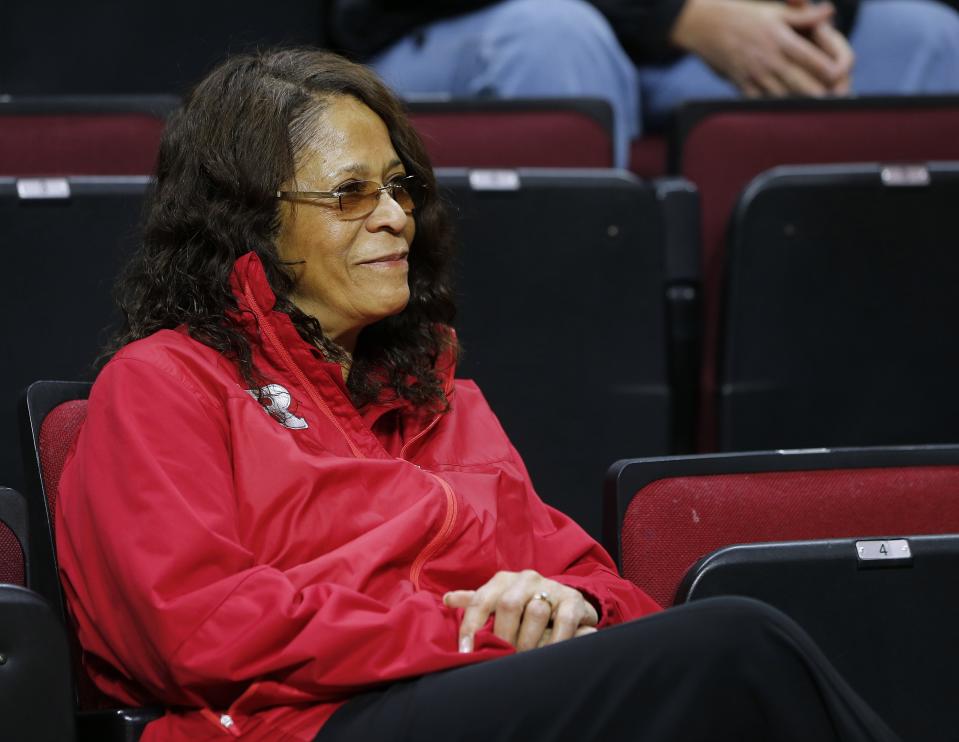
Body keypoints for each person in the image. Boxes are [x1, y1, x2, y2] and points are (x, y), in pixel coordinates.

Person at [56, 47, 900, 741]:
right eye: (351, 194)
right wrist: (475, 631)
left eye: (399, 188)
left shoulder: (442, 395)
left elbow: (607, 590)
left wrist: (563, 605)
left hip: (472, 703)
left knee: (725, 661)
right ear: (246, 221)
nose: (394, 217)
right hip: (299, 728)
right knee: (736, 644)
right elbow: (198, 630)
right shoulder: (162, 381)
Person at [328, 0, 959, 167]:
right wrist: (679, 16)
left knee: (926, 36)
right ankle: (596, 331)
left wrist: (809, 20)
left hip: (672, 52)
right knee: (559, 35)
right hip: (453, 31)